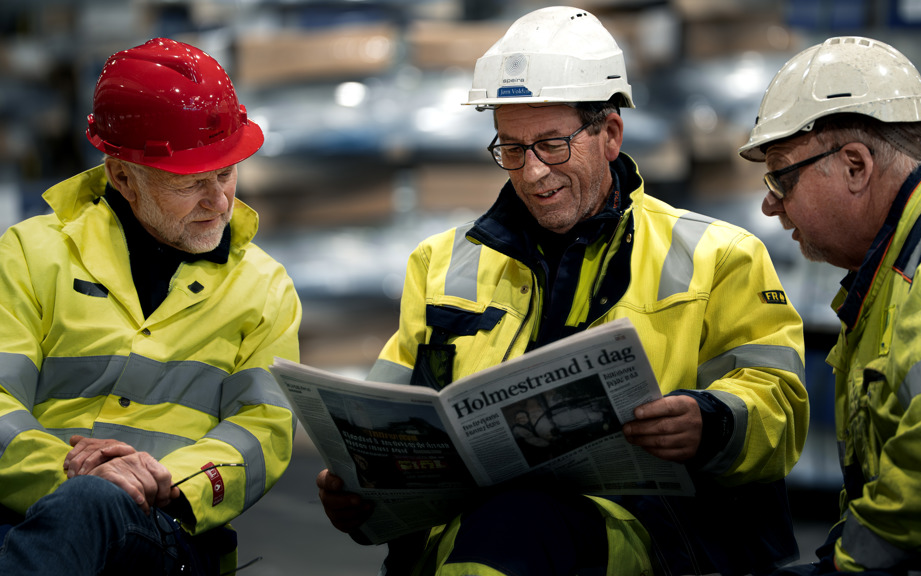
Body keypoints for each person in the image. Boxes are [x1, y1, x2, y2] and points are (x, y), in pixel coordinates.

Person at [317, 7, 808, 576]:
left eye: (552, 144)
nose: (531, 173)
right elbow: (384, 415)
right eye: (512, 148)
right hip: (464, 544)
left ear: (610, 135)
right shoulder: (440, 265)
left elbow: (780, 404)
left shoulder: (720, 256)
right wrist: (358, 485)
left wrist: (711, 422)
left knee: (518, 523)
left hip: (652, 542)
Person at [0, 38, 302, 575]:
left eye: (227, 172)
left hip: (167, 533)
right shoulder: (30, 255)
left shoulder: (264, 288)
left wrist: (163, 484)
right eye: (190, 183)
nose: (220, 201)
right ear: (122, 177)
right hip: (27, 516)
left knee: (89, 505)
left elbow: (261, 431)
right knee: (82, 506)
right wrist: (68, 476)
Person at [739, 36, 921, 575]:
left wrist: (842, 566)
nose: (770, 202)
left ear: (854, 165)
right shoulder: (898, 267)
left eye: (782, 175)